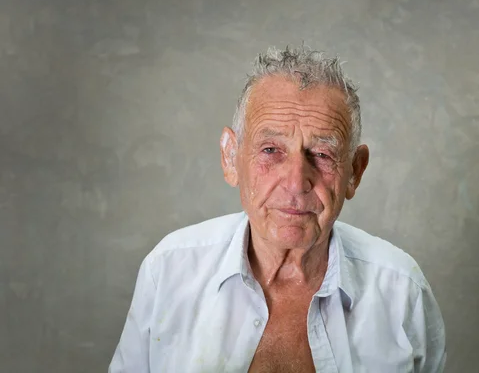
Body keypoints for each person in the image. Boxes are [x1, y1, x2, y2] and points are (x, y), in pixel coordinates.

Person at [109, 45, 446, 372]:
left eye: (322, 155)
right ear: (231, 158)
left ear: (354, 172)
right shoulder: (169, 270)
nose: (296, 182)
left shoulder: (401, 290)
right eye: (271, 150)